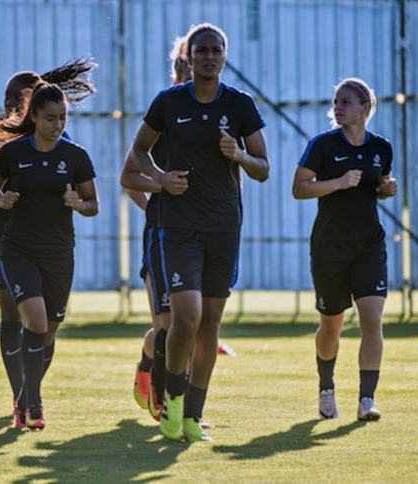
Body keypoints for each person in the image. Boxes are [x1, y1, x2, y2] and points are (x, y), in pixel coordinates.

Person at [131, 22, 270, 442]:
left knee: (210, 324)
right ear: (189, 58)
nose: (209, 56)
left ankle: (193, 416)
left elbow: (264, 169)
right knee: (185, 316)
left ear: (225, 56)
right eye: (201, 50)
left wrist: (239, 154)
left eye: (216, 50)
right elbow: (137, 151)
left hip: (224, 226)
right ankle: (172, 402)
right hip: (178, 226)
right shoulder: (169, 103)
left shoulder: (241, 105)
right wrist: (160, 177)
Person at [0, 59, 96, 427]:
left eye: (62, 118)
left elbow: (92, 202)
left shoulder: (70, 151)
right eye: (7, 97)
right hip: (10, 241)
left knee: (46, 327)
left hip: (55, 246)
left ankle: (25, 395)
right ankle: (27, 399)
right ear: (35, 115)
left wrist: (78, 204)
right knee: (22, 317)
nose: (57, 124)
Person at [292, 77, 397, 422]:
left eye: (346, 102)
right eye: (336, 101)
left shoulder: (381, 148)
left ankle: (367, 399)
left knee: (372, 320)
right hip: (329, 247)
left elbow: (375, 187)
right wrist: (337, 182)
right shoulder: (322, 145)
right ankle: (326, 390)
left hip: (369, 244)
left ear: (366, 108)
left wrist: (386, 189)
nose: (338, 107)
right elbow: (299, 188)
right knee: (332, 325)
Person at [120, 36, 190, 422]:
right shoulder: (161, 117)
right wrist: (160, 194)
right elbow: (128, 178)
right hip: (163, 235)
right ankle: (165, 402)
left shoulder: (216, 116)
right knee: (167, 327)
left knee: (188, 325)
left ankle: (160, 378)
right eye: (185, 69)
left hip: (203, 232)